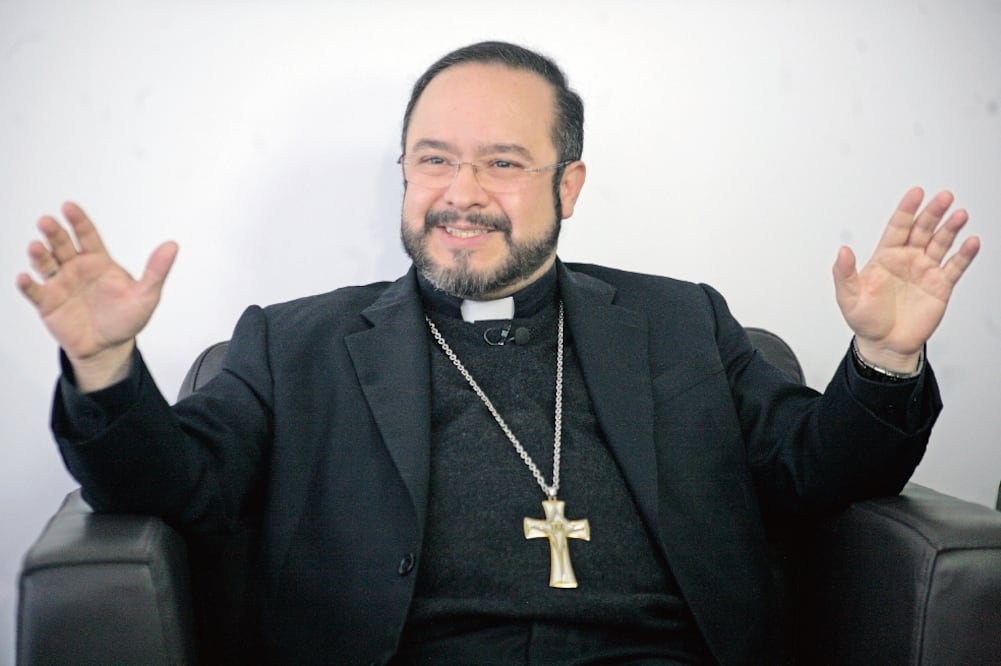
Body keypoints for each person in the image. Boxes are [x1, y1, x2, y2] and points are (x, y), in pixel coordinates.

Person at [17, 41, 980, 665]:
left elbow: (818, 473)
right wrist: (105, 367)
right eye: (433, 158)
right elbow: (175, 483)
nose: (459, 191)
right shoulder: (294, 342)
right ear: (404, 173)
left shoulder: (681, 323)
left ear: (571, 182)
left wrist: (882, 356)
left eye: (502, 163)